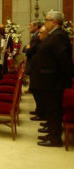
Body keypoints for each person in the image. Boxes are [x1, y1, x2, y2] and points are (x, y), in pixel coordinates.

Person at [32, 10, 73, 147]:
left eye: (47, 20)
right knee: (51, 109)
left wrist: (66, 79)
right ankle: (52, 133)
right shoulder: (54, 35)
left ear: (54, 22)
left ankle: (55, 139)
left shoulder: (59, 36)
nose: (45, 22)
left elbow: (63, 60)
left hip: (53, 81)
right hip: (48, 80)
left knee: (54, 110)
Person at [22, 20, 42, 120]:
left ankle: (41, 112)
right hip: (33, 65)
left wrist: (27, 48)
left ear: (36, 26)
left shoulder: (38, 36)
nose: (28, 27)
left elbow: (30, 50)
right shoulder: (35, 35)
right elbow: (26, 48)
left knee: (36, 89)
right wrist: (26, 48)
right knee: (34, 89)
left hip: (35, 66)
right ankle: (39, 110)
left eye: (30, 25)